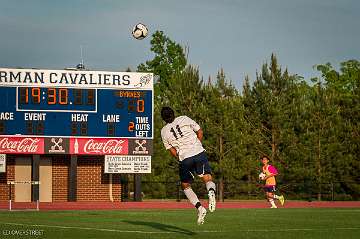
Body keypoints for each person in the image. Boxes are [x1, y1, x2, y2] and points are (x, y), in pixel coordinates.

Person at [160, 106, 216, 225]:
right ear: (173, 113)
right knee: (207, 177)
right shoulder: (184, 118)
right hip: (199, 152)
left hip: (185, 158)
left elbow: (171, 149)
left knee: (185, 185)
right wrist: (198, 146)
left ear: (163, 118)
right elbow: (199, 131)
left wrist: (180, 157)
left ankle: (200, 208)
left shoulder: (164, 131)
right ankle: (211, 191)